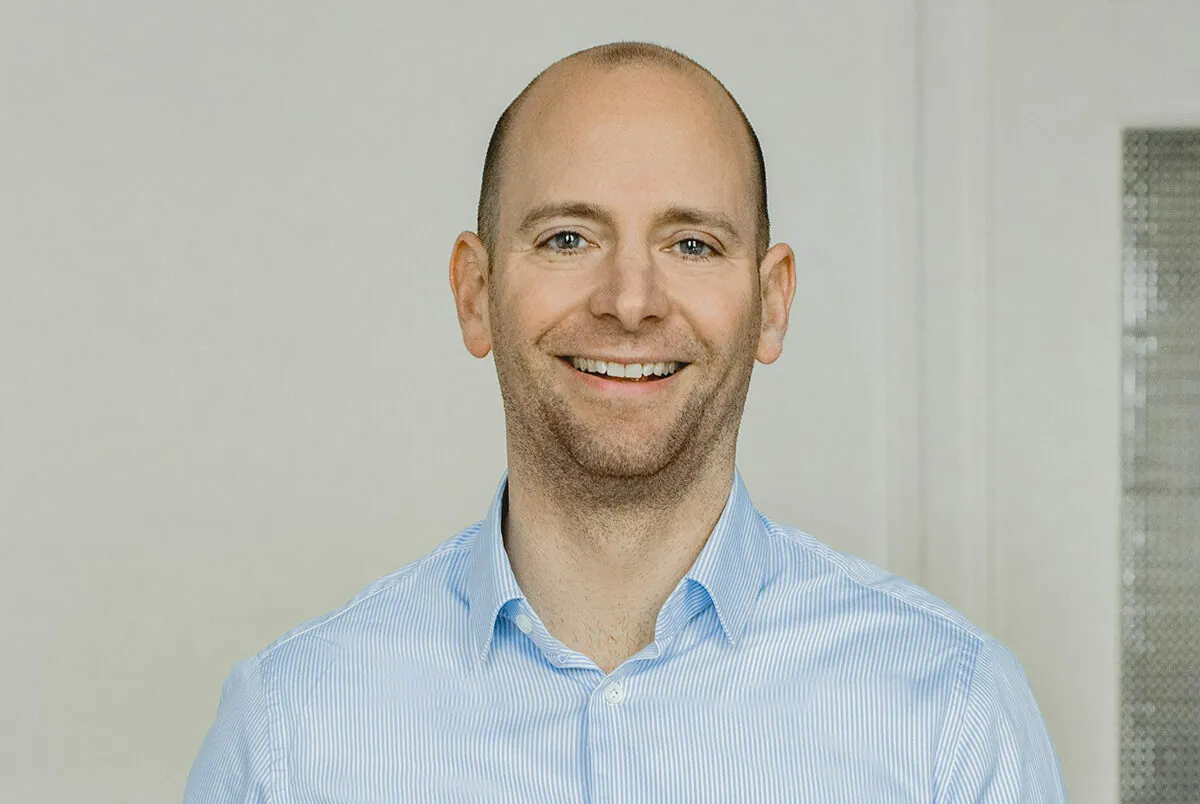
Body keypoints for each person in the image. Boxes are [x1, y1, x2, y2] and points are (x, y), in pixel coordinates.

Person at [185, 41, 1067, 802]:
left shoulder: (951, 718)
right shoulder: (289, 734)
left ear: (772, 303)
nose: (631, 301)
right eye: (568, 238)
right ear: (475, 292)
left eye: (692, 244)